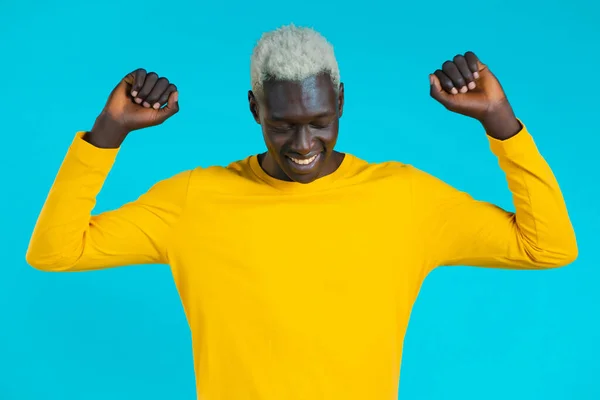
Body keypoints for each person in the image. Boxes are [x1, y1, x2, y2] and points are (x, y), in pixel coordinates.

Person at [26, 24, 577, 400]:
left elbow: (548, 247)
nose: (302, 142)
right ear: (254, 110)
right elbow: (55, 252)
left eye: (318, 119)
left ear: (340, 101)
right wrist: (108, 133)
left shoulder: (401, 198)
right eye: (282, 124)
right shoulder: (194, 201)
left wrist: (500, 120)